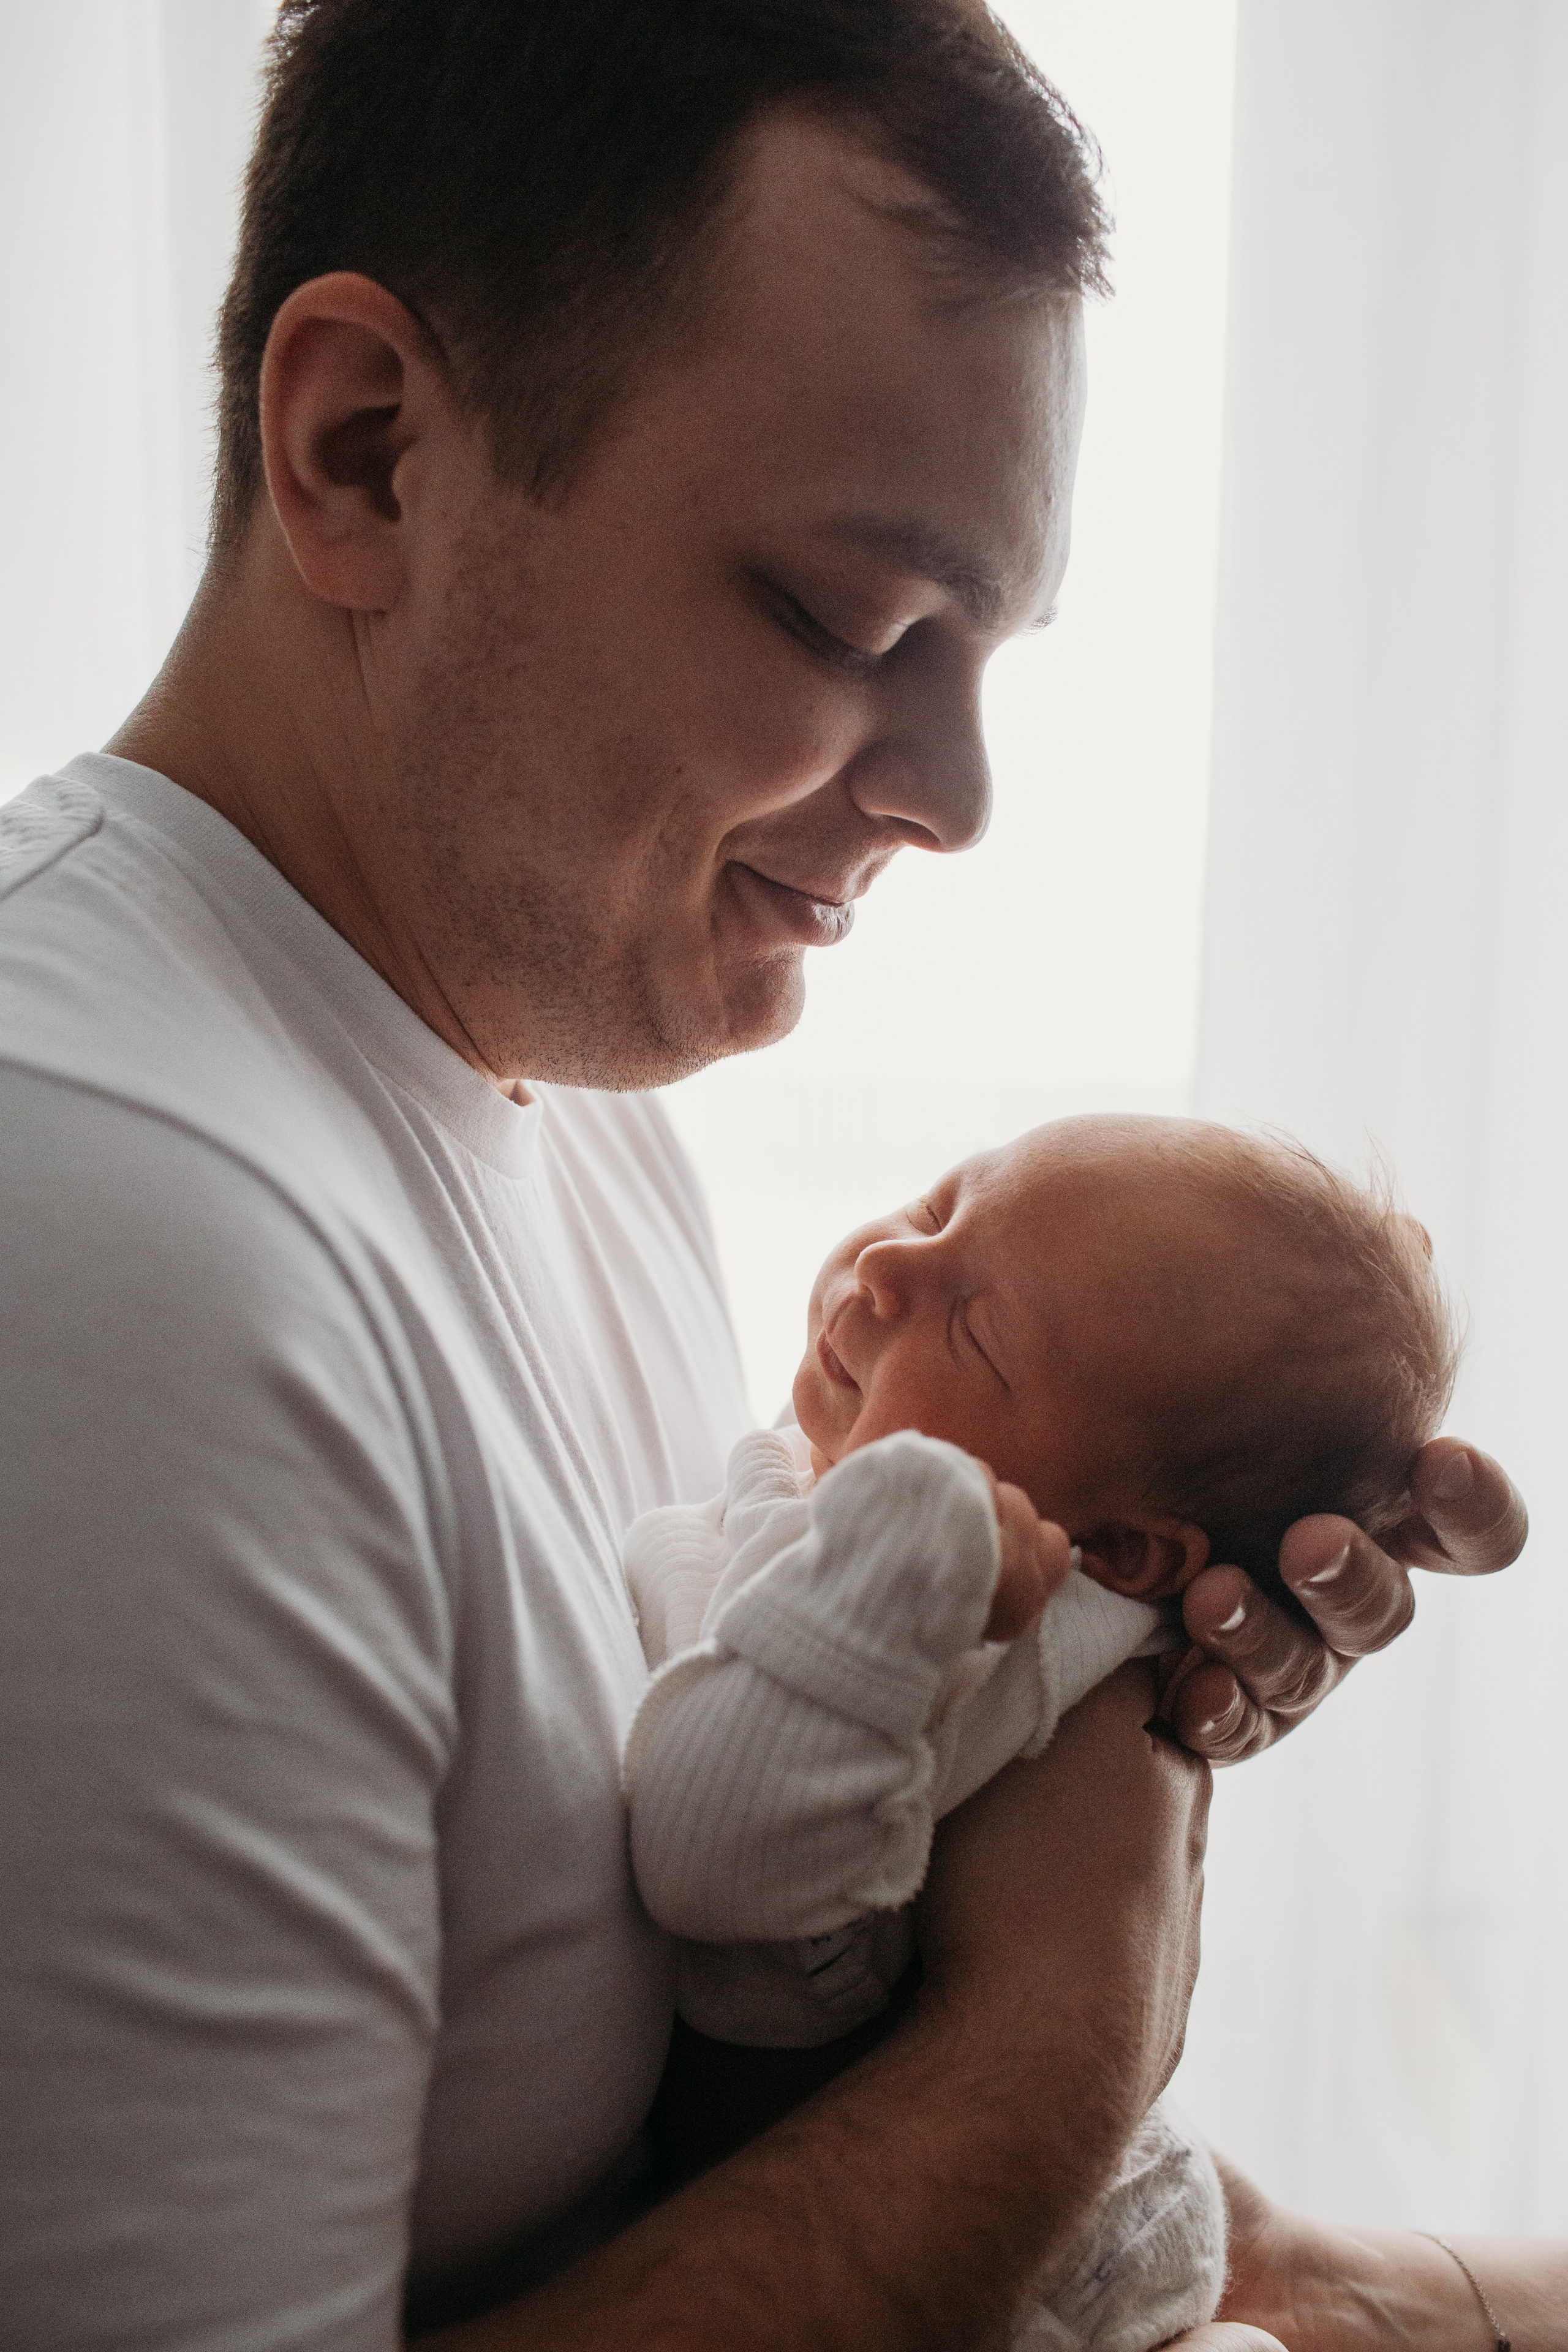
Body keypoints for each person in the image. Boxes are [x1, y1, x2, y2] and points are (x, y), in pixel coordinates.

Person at [0, 5, 1527, 2349]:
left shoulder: (561, 1093)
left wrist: (1049, 1721)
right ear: (367, 450)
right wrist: (1074, 2004)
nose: (956, 792)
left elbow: (663, 2108)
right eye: (848, 620)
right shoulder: (104, 1245)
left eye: (993, 653)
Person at [620, 1115, 1455, 2348]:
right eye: (931, 1204)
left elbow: (712, 1861)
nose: (885, 1268)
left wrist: (898, 1559)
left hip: (1036, 2274)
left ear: (1114, 1554)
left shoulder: (988, 1625)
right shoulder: (848, 1502)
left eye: (972, 1326)